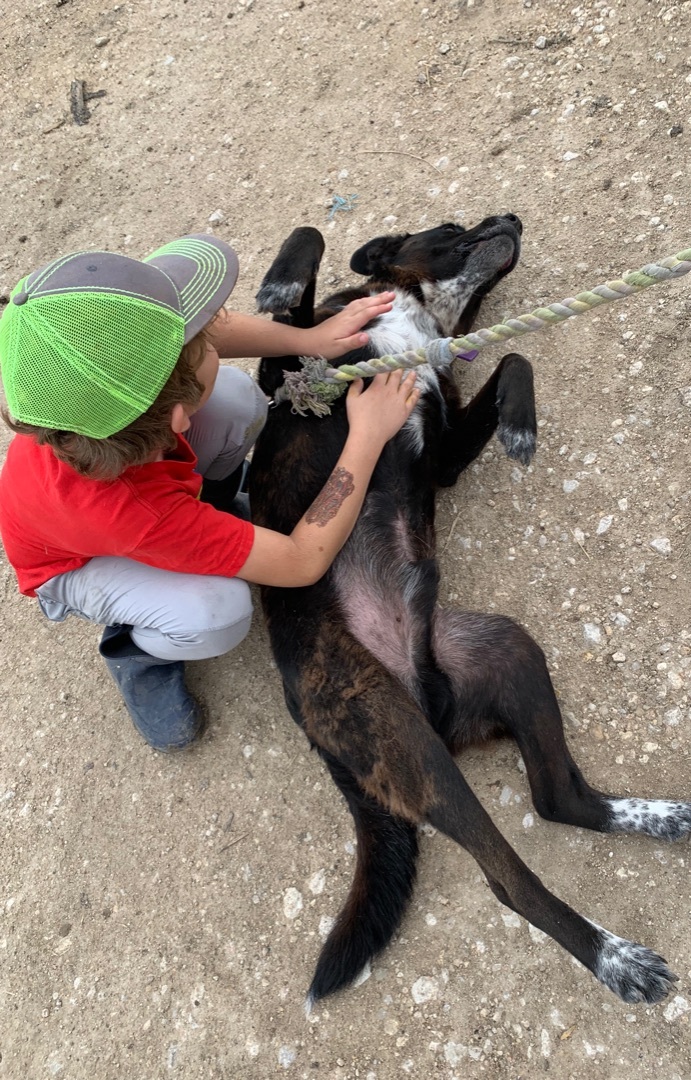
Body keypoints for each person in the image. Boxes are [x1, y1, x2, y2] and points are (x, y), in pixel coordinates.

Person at [0, 233, 420, 752]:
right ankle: (136, 652)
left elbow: (202, 341)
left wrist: (310, 340)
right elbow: (300, 561)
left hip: (123, 502)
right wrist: (368, 435)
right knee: (217, 610)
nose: (211, 332)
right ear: (178, 415)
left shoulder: (89, 398)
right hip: (70, 565)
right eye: (198, 344)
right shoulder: (141, 513)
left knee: (237, 400)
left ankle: (215, 516)